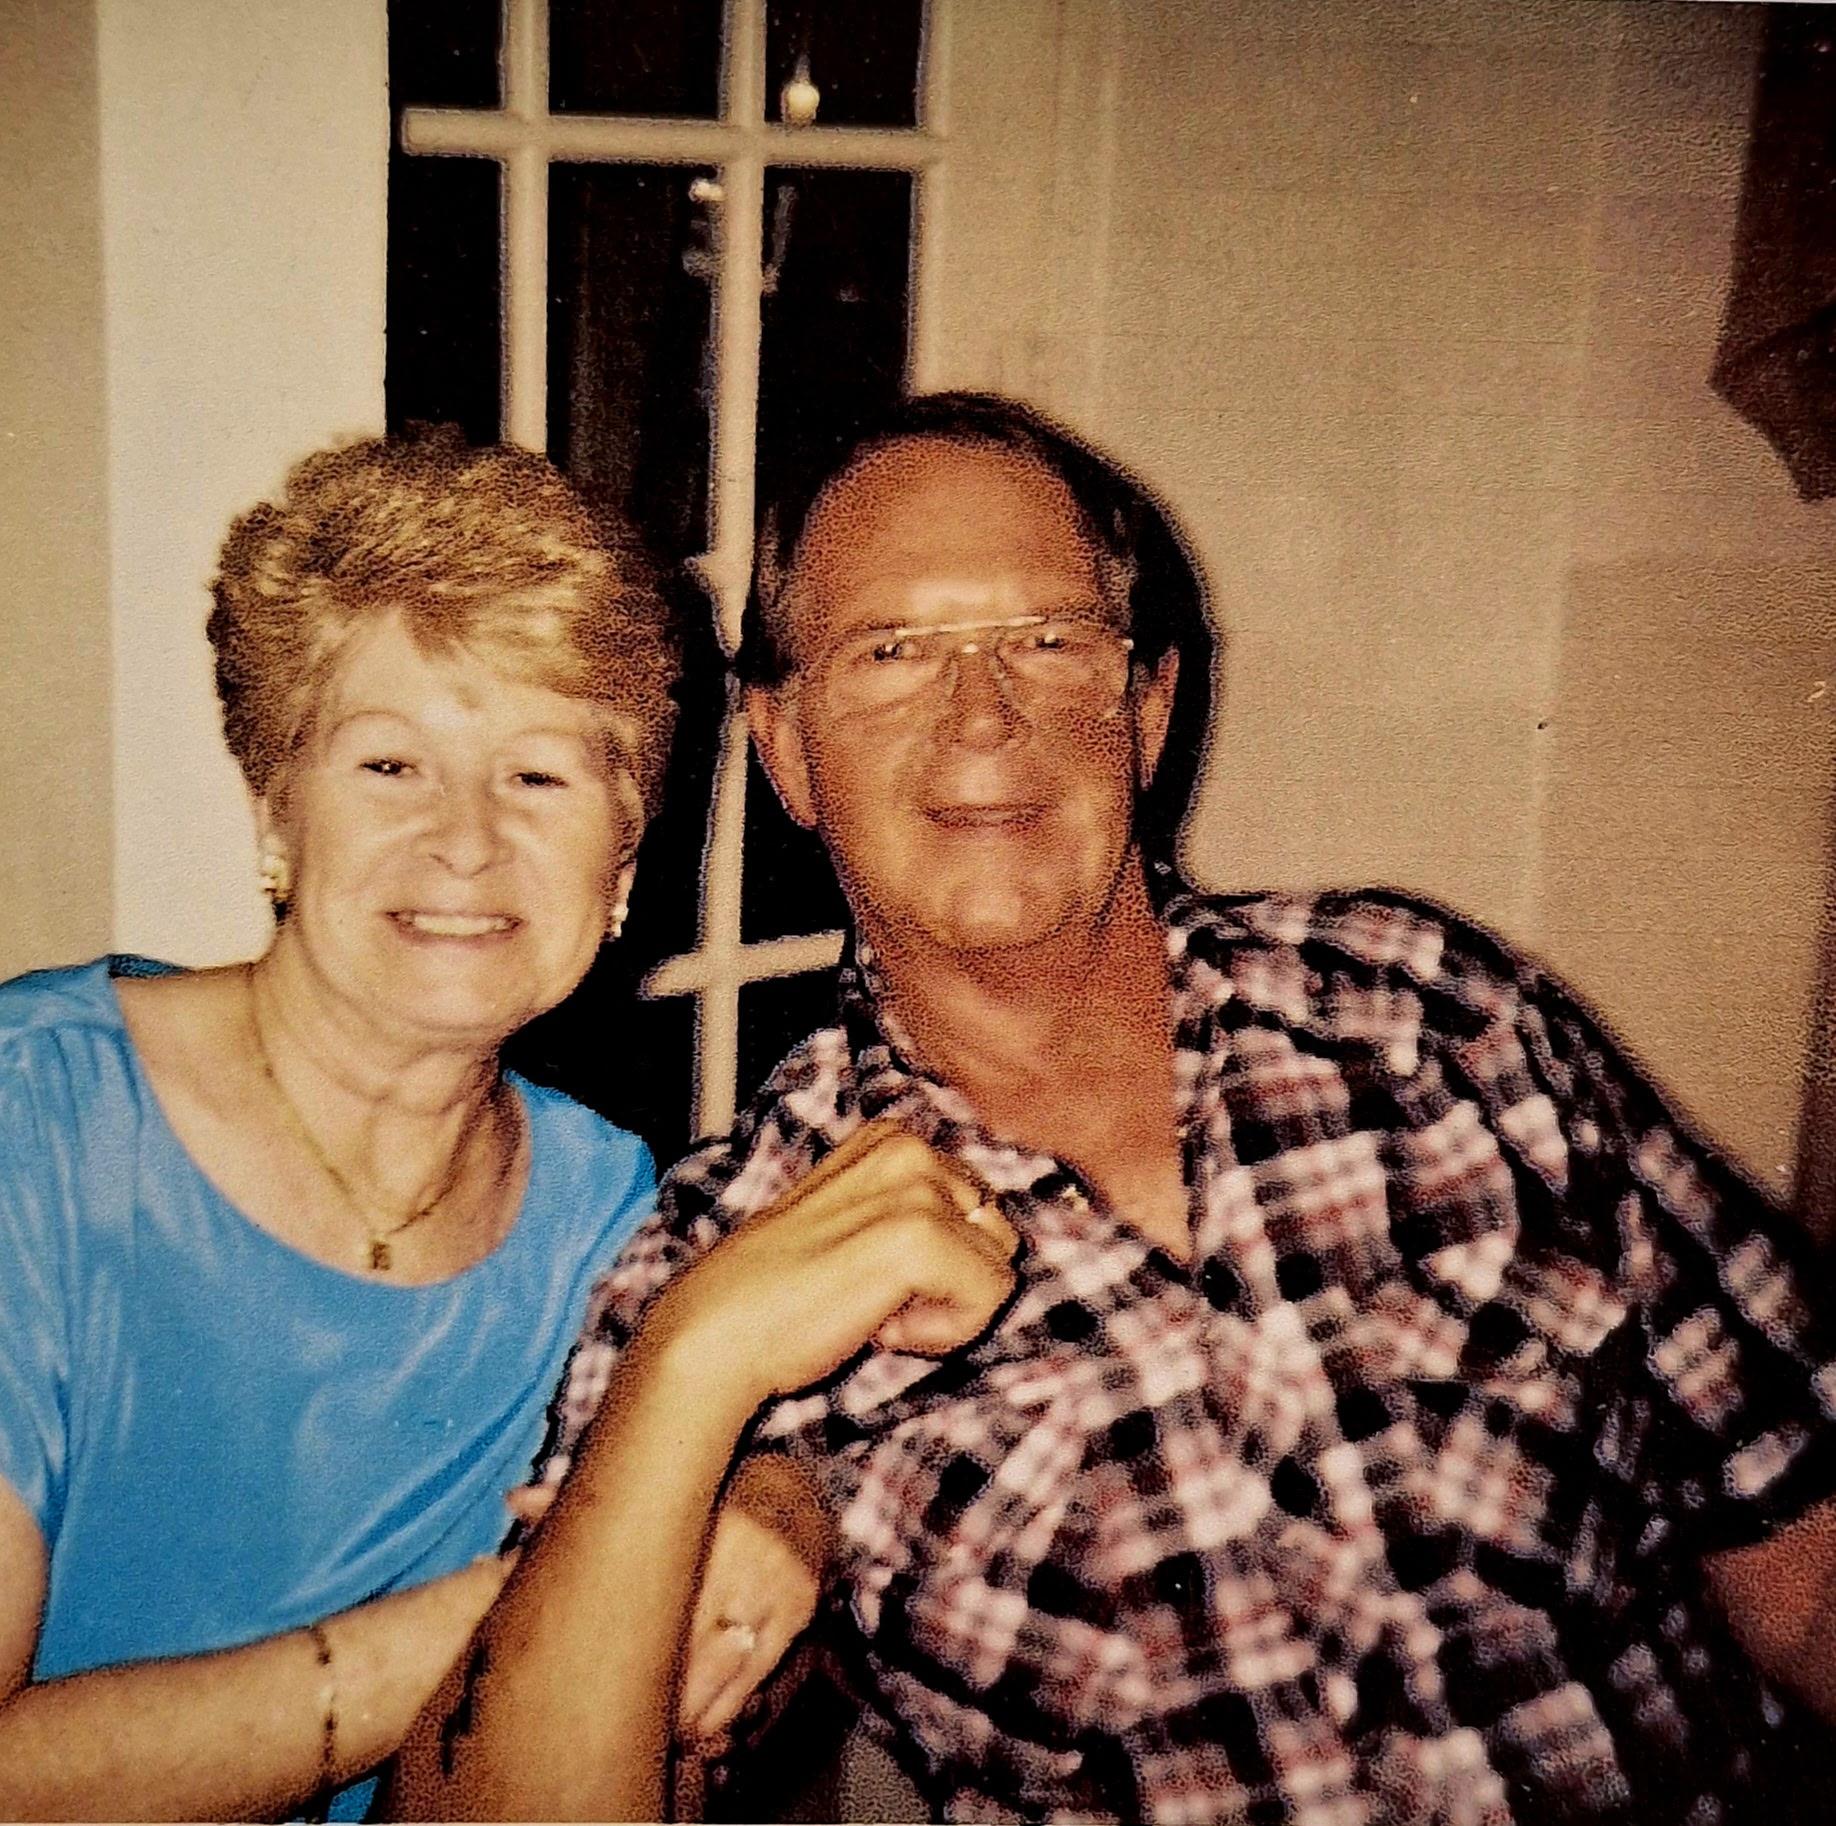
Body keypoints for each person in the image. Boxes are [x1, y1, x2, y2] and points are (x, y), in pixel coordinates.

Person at [420, 393, 1836, 1825]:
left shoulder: (1434, 1015)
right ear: (785, 749)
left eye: (1047, 640)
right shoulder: (730, 1246)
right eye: (894, 652)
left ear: (1145, 708)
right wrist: (701, 1366)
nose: (984, 715)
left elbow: (1799, 1544)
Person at [0, 428, 847, 1820]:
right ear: (277, 809)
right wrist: (507, 1615)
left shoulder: (603, 1207)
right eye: (390, 766)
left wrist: (766, 1511)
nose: (465, 840)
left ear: (621, 864)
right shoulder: (38, 1119)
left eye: (539, 777)